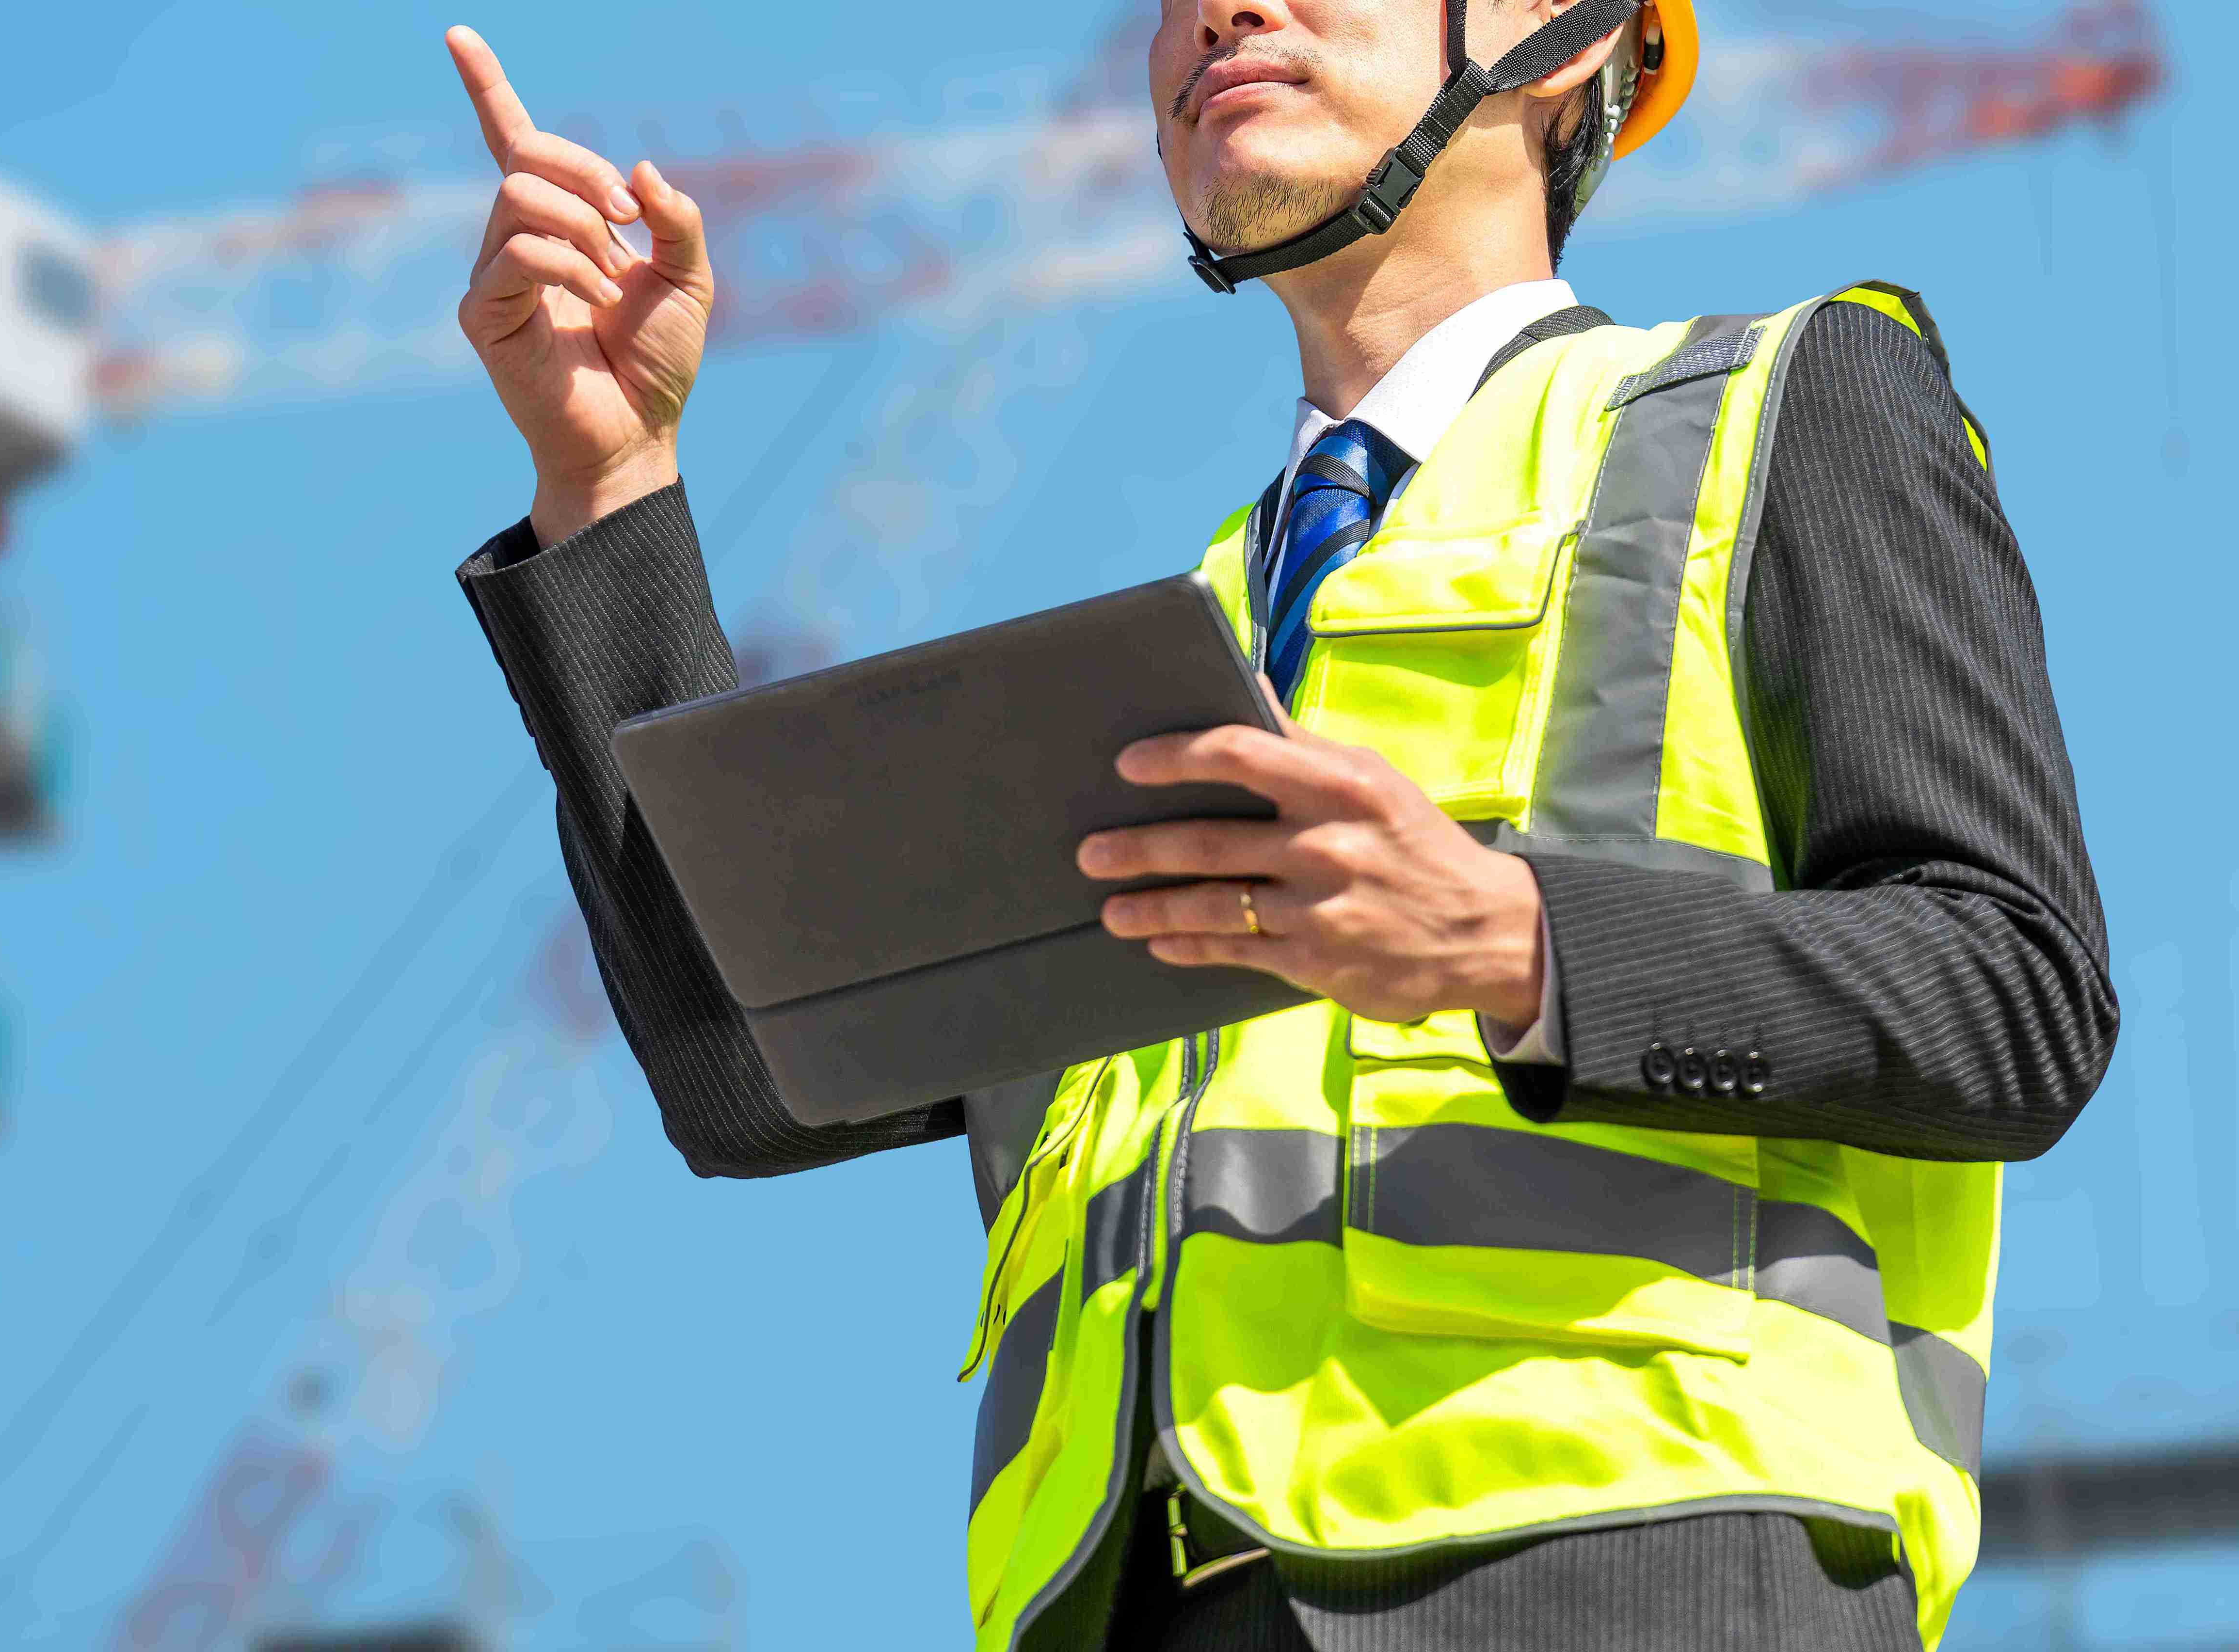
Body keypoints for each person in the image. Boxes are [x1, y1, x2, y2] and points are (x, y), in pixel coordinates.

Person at [438, 0, 2117, 1644]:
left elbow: (2016, 993)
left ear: (1574, 33)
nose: (1218, 11)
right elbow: (758, 1069)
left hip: (1623, 1568)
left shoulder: (1782, 408)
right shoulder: (1172, 647)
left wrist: (1519, 945)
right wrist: (604, 485)